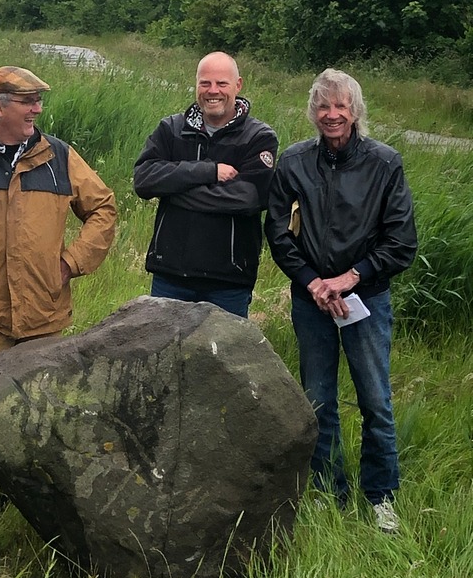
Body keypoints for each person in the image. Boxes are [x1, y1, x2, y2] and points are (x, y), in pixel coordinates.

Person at [0, 64, 117, 521]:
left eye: (38, 101)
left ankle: (25, 497)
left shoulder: (60, 157)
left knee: (38, 408)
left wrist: (70, 264)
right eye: (28, 101)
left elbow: (104, 209)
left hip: (44, 312)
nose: (37, 109)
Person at [264, 68, 417, 533]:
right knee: (317, 400)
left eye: (340, 106)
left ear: (355, 112)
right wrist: (313, 282)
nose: (332, 115)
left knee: (375, 400)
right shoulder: (293, 162)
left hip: (364, 301)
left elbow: (401, 241)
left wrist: (350, 278)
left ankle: (380, 497)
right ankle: (328, 491)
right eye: (323, 106)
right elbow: (278, 231)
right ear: (313, 112)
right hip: (312, 301)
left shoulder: (384, 164)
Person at [133, 51, 278, 317]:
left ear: (238, 85)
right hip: (171, 277)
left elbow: (249, 198)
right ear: (196, 84)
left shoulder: (259, 137)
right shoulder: (171, 129)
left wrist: (176, 191)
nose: (213, 91)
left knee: (224, 359)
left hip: (228, 283)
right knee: (166, 358)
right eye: (205, 83)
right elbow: (143, 180)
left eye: (222, 83)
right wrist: (206, 171)